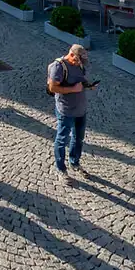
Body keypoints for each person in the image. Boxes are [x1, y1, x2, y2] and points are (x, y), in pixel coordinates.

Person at [48, 43, 97, 184]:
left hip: (81, 109)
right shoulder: (59, 67)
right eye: (78, 61)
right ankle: (61, 169)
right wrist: (73, 89)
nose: (79, 64)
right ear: (71, 55)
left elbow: (81, 81)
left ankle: (74, 162)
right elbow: (52, 87)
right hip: (66, 110)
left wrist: (89, 86)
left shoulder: (79, 65)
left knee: (78, 139)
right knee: (62, 140)